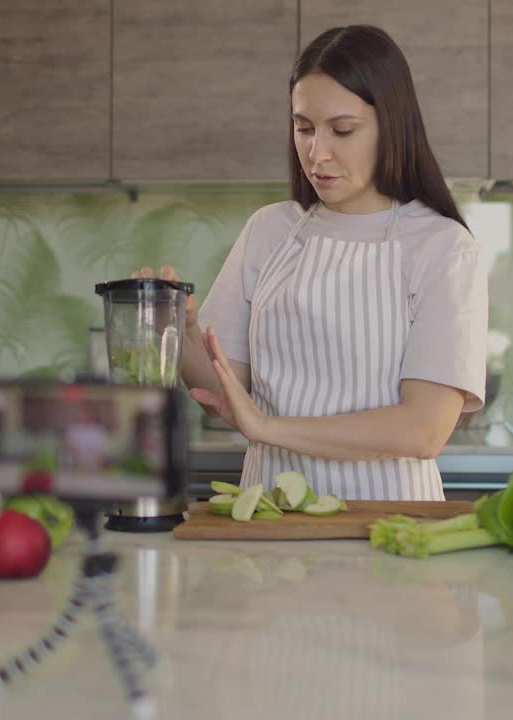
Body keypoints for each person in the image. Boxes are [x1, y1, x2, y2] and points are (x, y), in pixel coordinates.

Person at [135, 25, 487, 500]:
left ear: (393, 124)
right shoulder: (270, 230)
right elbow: (227, 390)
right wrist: (175, 330)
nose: (317, 153)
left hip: (390, 525)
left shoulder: (441, 246)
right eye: (304, 127)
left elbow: (422, 430)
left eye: (342, 130)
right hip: (270, 515)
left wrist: (268, 427)